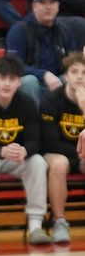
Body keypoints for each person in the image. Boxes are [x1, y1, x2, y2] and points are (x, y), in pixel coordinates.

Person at [0, 53, 51, 248]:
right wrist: (0, 151)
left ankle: (36, 225)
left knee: (37, 162)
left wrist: (25, 151)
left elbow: (37, 140)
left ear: (19, 82)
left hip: (17, 158)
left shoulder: (27, 103)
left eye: (12, 79)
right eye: (3, 78)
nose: (7, 84)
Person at [6, 0, 85, 104]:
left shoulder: (64, 30)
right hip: (31, 82)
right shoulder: (18, 30)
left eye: (52, 3)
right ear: (34, 6)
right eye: (43, 3)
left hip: (58, 81)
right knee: (29, 81)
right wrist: (44, 74)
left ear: (58, 6)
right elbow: (13, 65)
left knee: (73, 78)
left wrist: (82, 60)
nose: (48, 7)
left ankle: (71, 119)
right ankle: (32, 120)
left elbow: (72, 61)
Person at [41, 52, 85, 243]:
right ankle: (60, 222)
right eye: (74, 72)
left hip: (82, 155)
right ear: (66, 75)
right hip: (58, 152)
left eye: (84, 73)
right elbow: (50, 142)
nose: (80, 77)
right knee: (59, 163)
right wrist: (79, 154)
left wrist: (84, 109)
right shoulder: (51, 101)